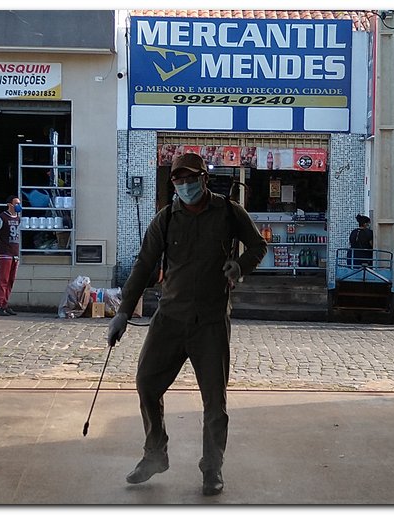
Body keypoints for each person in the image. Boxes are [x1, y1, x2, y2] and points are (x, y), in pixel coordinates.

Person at [107, 152, 267, 497]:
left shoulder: (228, 211)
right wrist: (123, 311)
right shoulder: (165, 219)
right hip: (169, 319)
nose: (185, 186)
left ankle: (212, 469)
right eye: (178, 181)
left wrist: (240, 266)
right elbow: (144, 263)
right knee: (146, 384)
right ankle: (155, 454)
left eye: (190, 179)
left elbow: (258, 245)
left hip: (210, 321)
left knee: (214, 402)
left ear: (203, 179)